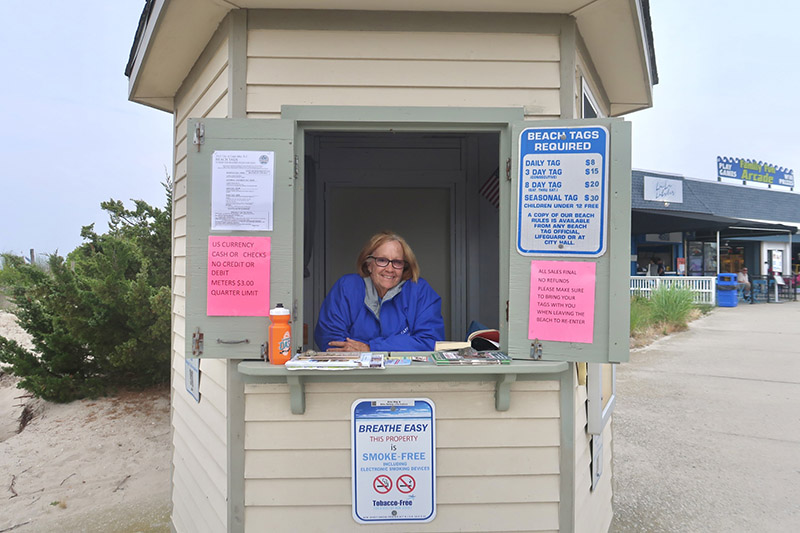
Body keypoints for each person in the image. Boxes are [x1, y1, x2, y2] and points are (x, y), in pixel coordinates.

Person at [314, 231, 445, 352]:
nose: (390, 269)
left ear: (404, 267)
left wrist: (371, 348)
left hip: (405, 374)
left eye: (397, 262)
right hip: (354, 372)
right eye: (382, 260)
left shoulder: (419, 290)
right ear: (368, 264)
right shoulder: (347, 287)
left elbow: (431, 341)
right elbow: (330, 339)